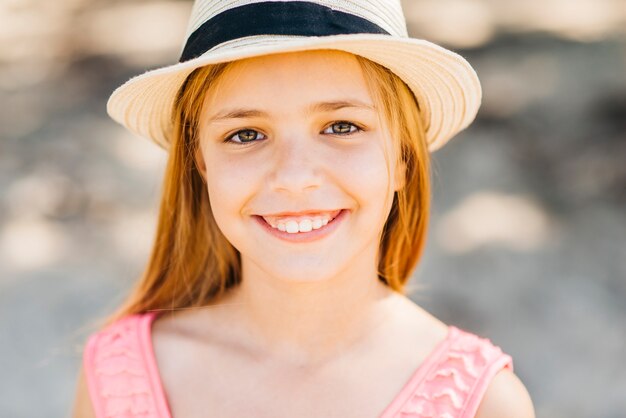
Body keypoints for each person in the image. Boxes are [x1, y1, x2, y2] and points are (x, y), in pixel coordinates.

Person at [71, 1, 535, 417]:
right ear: (201, 165)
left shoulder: (484, 404)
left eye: (341, 126)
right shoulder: (120, 379)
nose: (294, 178)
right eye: (246, 134)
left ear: (402, 158)